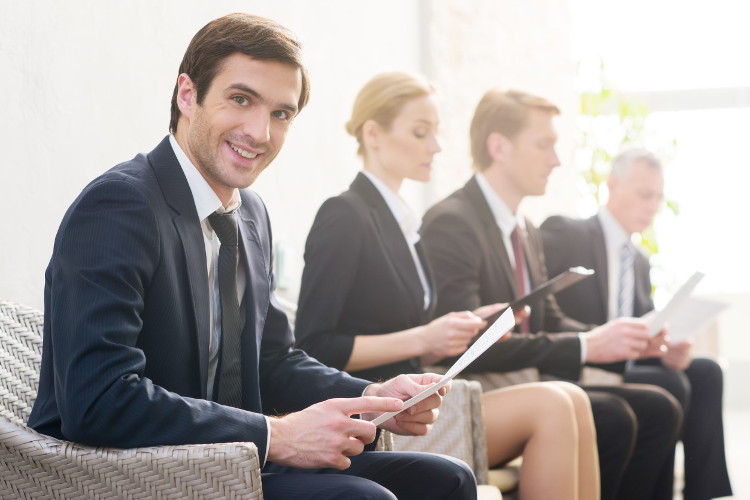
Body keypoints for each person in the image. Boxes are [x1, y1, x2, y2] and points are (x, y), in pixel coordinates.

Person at [27, 14, 478, 500]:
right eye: (241, 99)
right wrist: (277, 435)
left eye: (281, 114)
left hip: (229, 459)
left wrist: (372, 397)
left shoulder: (250, 214)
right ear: (187, 95)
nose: (260, 132)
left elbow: (274, 360)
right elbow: (98, 400)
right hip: (130, 474)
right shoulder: (119, 206)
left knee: (448, 480)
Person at [294, 72, 600, 500]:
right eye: (421, 133)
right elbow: (314, 344)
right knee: (553, 405)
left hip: (416, 400)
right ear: (374, 134)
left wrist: (464, 328)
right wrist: (425, 336)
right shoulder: (345, 215)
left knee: (572, 399)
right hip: (376, 412)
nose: (435, 147)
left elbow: (410, 333)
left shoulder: (403, 225)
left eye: (435, 133)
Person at [420, 89, 683, 500]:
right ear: (499, 147)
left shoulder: (524, 227)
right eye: (544, 145)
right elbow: (468, 346)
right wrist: (584, 344)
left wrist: (612, 338)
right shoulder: (452, 222)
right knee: (617, 417)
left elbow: (550, 317)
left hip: (526, 378)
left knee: (659, 406)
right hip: (481, 388)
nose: (556, 160)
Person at [540, 148, 733, 500]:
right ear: (612, 186)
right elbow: (544, 313)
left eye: (658, 198)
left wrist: (667, 348)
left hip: (625, 366)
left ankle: (706, 494)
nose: (652, 206)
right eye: (645, 194)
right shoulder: (566, 233)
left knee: (705, 372)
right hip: (580, 364)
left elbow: (647, 327)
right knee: (669, 384)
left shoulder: (640, 262)